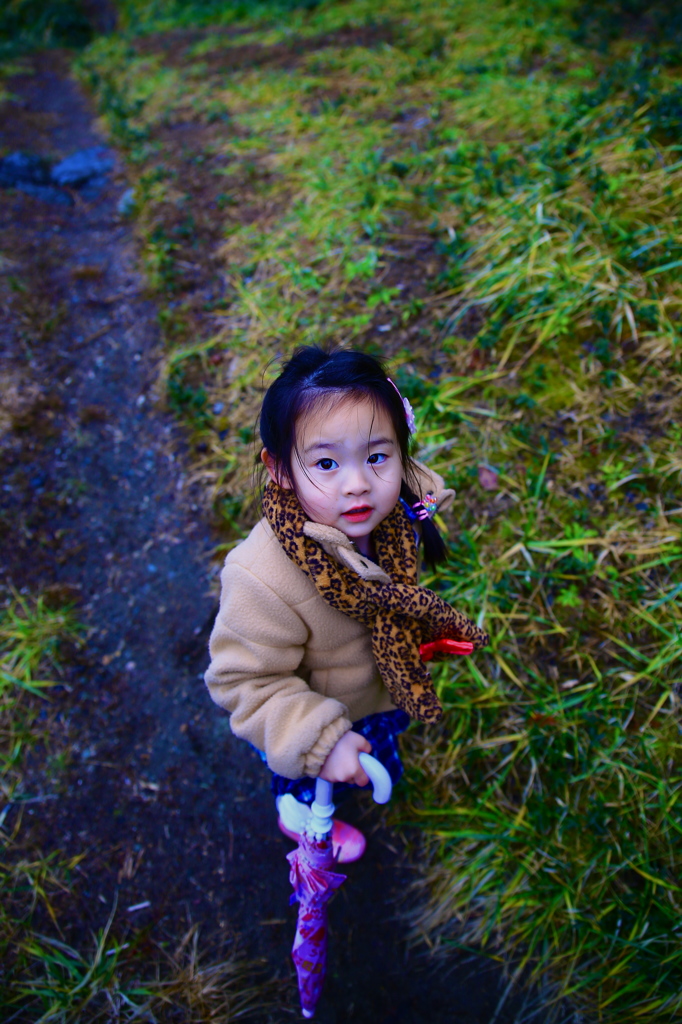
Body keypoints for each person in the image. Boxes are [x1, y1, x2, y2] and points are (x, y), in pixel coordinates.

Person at [205, 346, 488, 860]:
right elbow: (243, 681)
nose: (357, 483)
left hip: (375, 690)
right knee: (306, 774)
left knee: (371, 745)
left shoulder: (395, 514)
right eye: (327, 463)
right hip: (312, 713)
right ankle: (300, 814)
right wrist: (319, 742)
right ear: (281, 469)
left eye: (376, 455)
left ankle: (364, 756)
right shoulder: (262, 577)